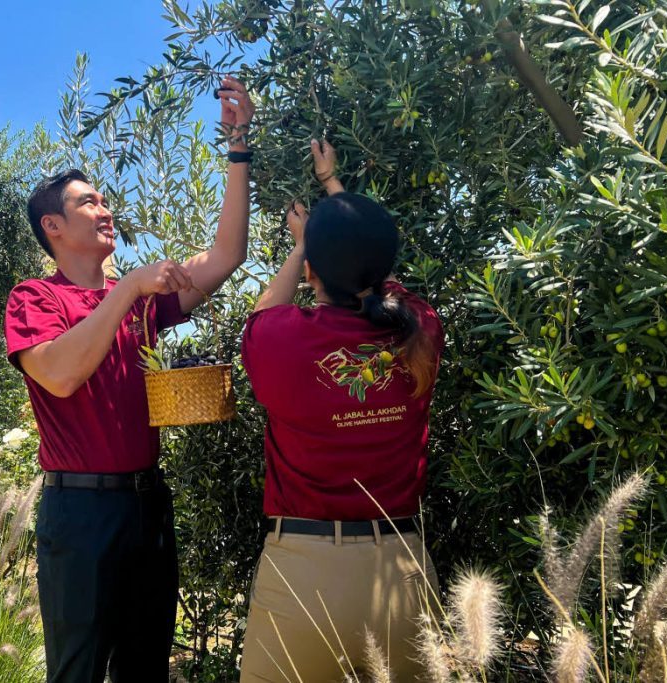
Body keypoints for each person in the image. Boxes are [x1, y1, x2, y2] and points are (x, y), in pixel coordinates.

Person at [4, 77, 255, 683]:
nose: (106, 208)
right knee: (79, 671)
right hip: (80, 511)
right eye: (88, 202)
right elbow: (60, 375)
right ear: (53, 228)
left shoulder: (140, 298)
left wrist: (239, 146)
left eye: (104, 200)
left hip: (147, 503)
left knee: (146, 670)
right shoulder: (34, 297)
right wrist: (125, 288)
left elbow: (227, 256)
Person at [238, 140, 444, 681]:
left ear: (311, 272)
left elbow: (262, 313)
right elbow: (374, 272)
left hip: (305, 572)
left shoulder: (279, 340)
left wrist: (302, 245)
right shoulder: (419, 329)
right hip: (401, 573)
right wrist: (335, 190)